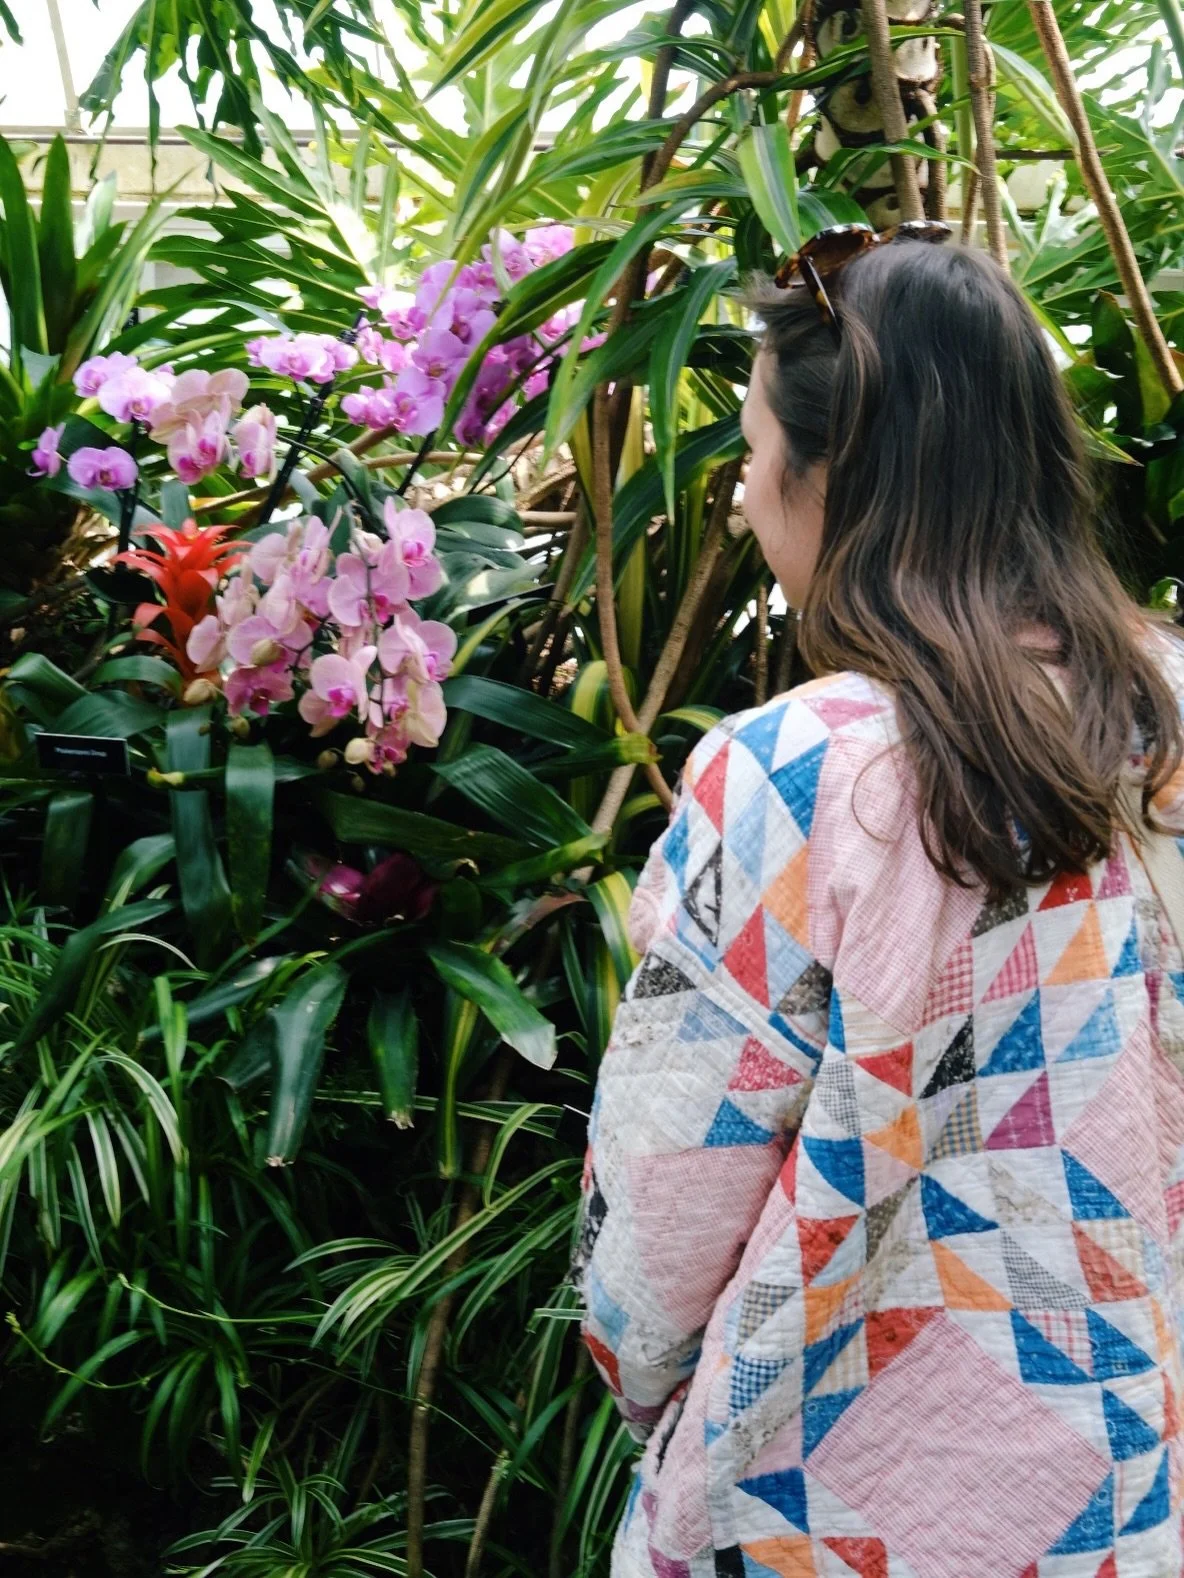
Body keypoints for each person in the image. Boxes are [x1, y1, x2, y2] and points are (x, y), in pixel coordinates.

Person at [572, 231, 1184, 1578]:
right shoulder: (1169, 717)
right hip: (1136, 1496)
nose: (742, 496)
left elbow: (668, 1211)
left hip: (821, 1501)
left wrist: (641, 1374)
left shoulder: (799, 772)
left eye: (747, 449)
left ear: (835, 471)